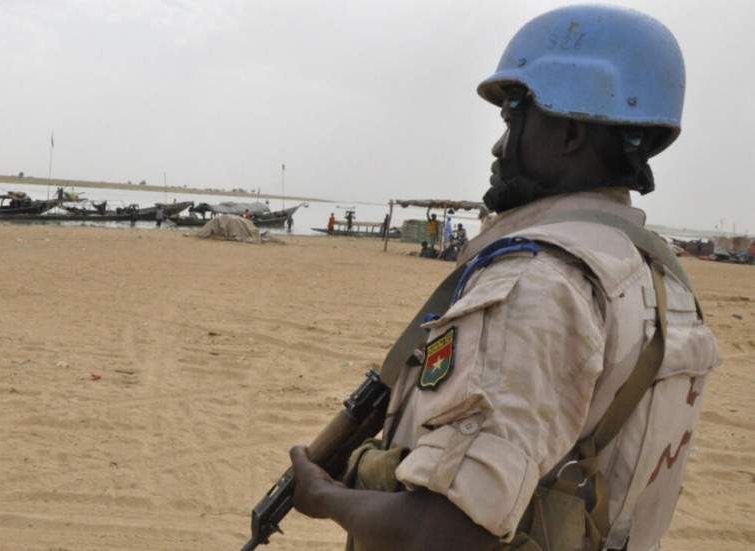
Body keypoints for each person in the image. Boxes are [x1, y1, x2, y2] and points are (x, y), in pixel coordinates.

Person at [289, 6, 719, 551]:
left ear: (567, 129)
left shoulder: (538, 280)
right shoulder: (657, 274)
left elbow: (445, 533)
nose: (498, 145)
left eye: (514, 117)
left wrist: (322, 496)